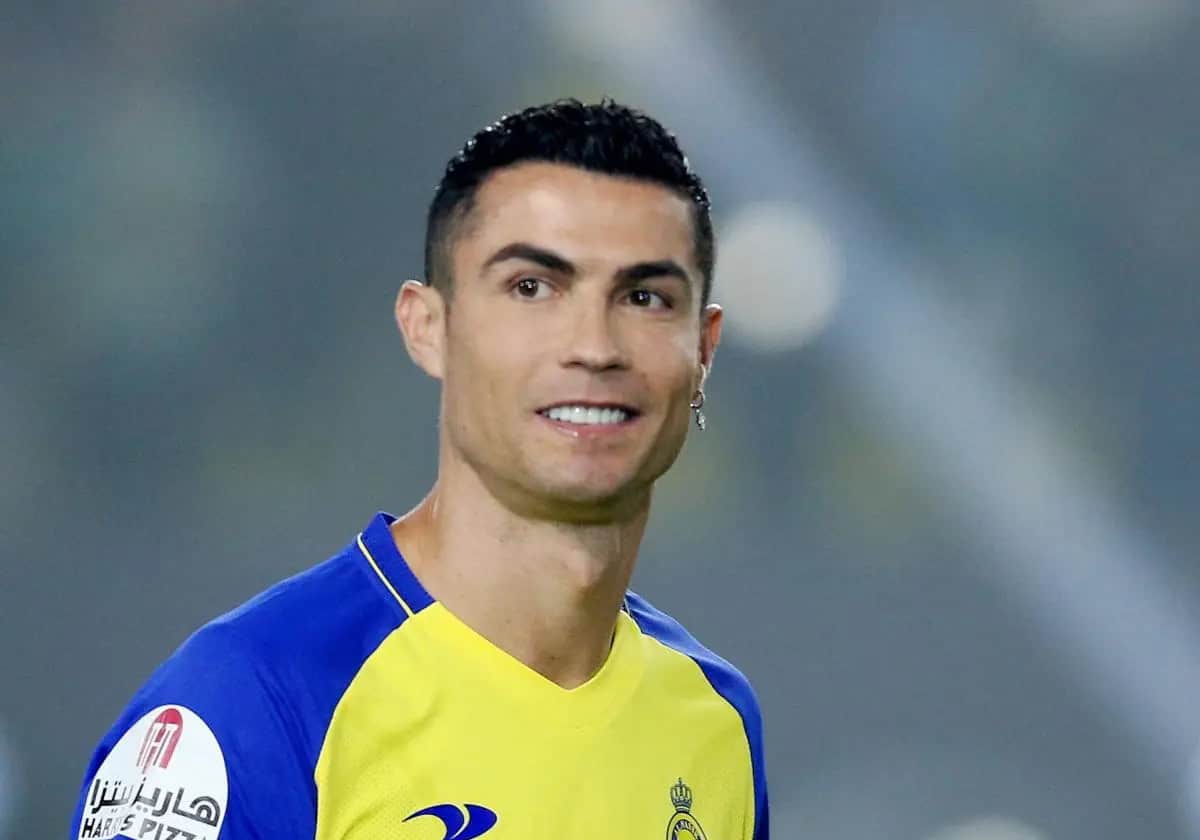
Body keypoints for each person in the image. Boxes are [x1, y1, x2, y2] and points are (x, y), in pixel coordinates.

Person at [70, 99, 768, 840]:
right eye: (532, 287)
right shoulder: (249, 700)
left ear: (704, 350)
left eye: (644, 297)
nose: (594, 347)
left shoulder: (715, 718)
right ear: (427, 327)